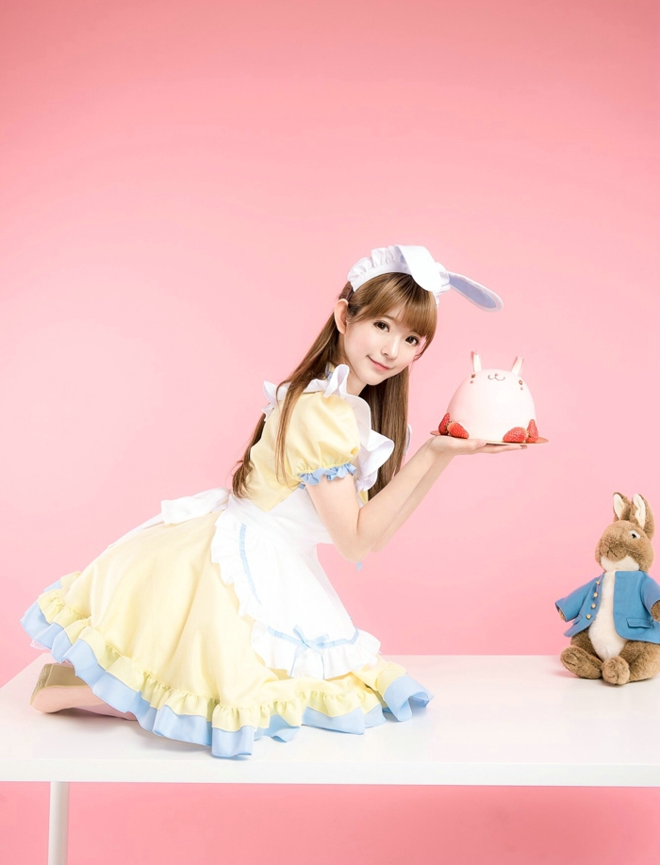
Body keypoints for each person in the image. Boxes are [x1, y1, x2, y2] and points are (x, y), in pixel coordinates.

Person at [22, 244, 524, 758]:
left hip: (278, 560)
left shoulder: (344, 408)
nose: (393, 349)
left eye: (411, 338)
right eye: (382, 325)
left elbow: (375, 536)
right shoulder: (319, 412)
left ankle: (86, 686)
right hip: (238, 565)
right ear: (344, 316)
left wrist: (441, 452)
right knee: (224, 699)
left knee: (256, 694)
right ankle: (72, 690)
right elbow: (354, 542)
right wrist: (434, 452)